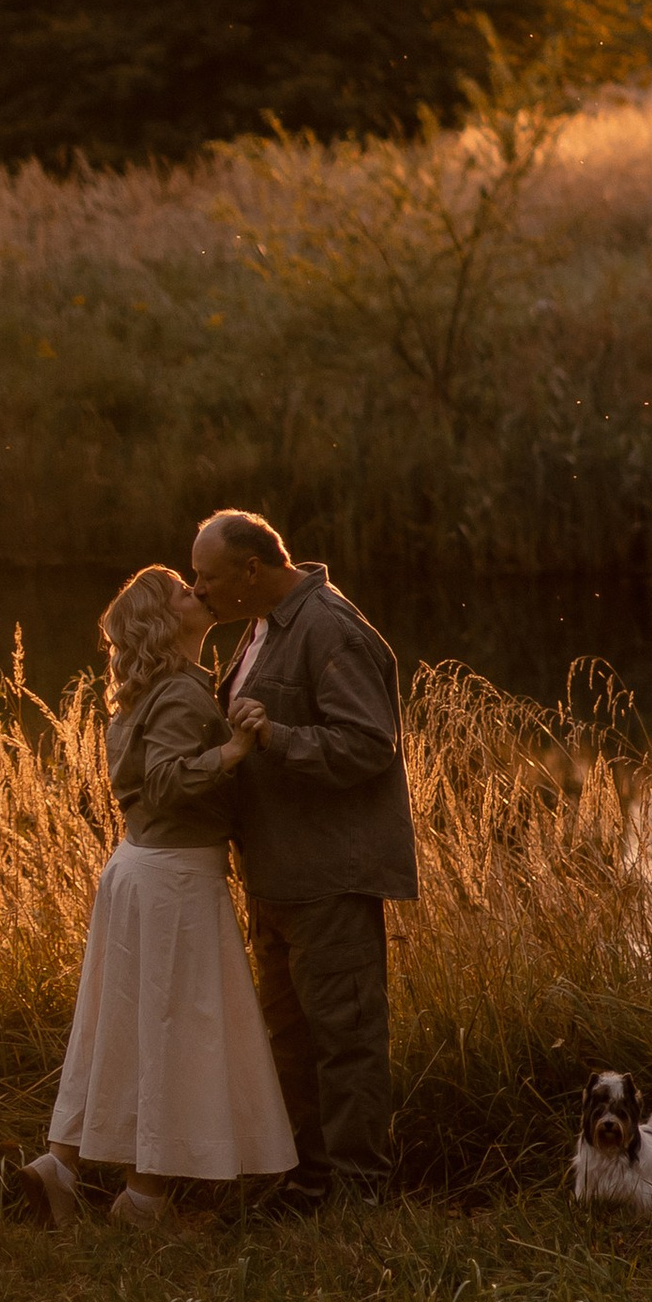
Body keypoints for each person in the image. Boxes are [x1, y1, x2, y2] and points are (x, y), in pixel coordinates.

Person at [19, 563, 300, 1228]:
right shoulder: (177, 693)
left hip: (142, 869)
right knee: (170, 1029)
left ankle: (60, 1166)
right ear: (164, 621)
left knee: (122, 1025)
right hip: (175, 879)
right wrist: (235, 749)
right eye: (181, 589)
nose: (196, 590)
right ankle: (143, 1201)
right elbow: (170, 783)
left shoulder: (150, 690)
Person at [189, 507, 416, 1201]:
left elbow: (369, 744)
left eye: (207, 577)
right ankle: (308, 1184)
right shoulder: (262, 624)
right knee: (289, 1042)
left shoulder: (329, 627)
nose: (198, 591)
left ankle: (359, 1193)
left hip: (329, 880)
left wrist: (278, 737)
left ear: (251, 569)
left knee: (346, 1040)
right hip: (276, 878)